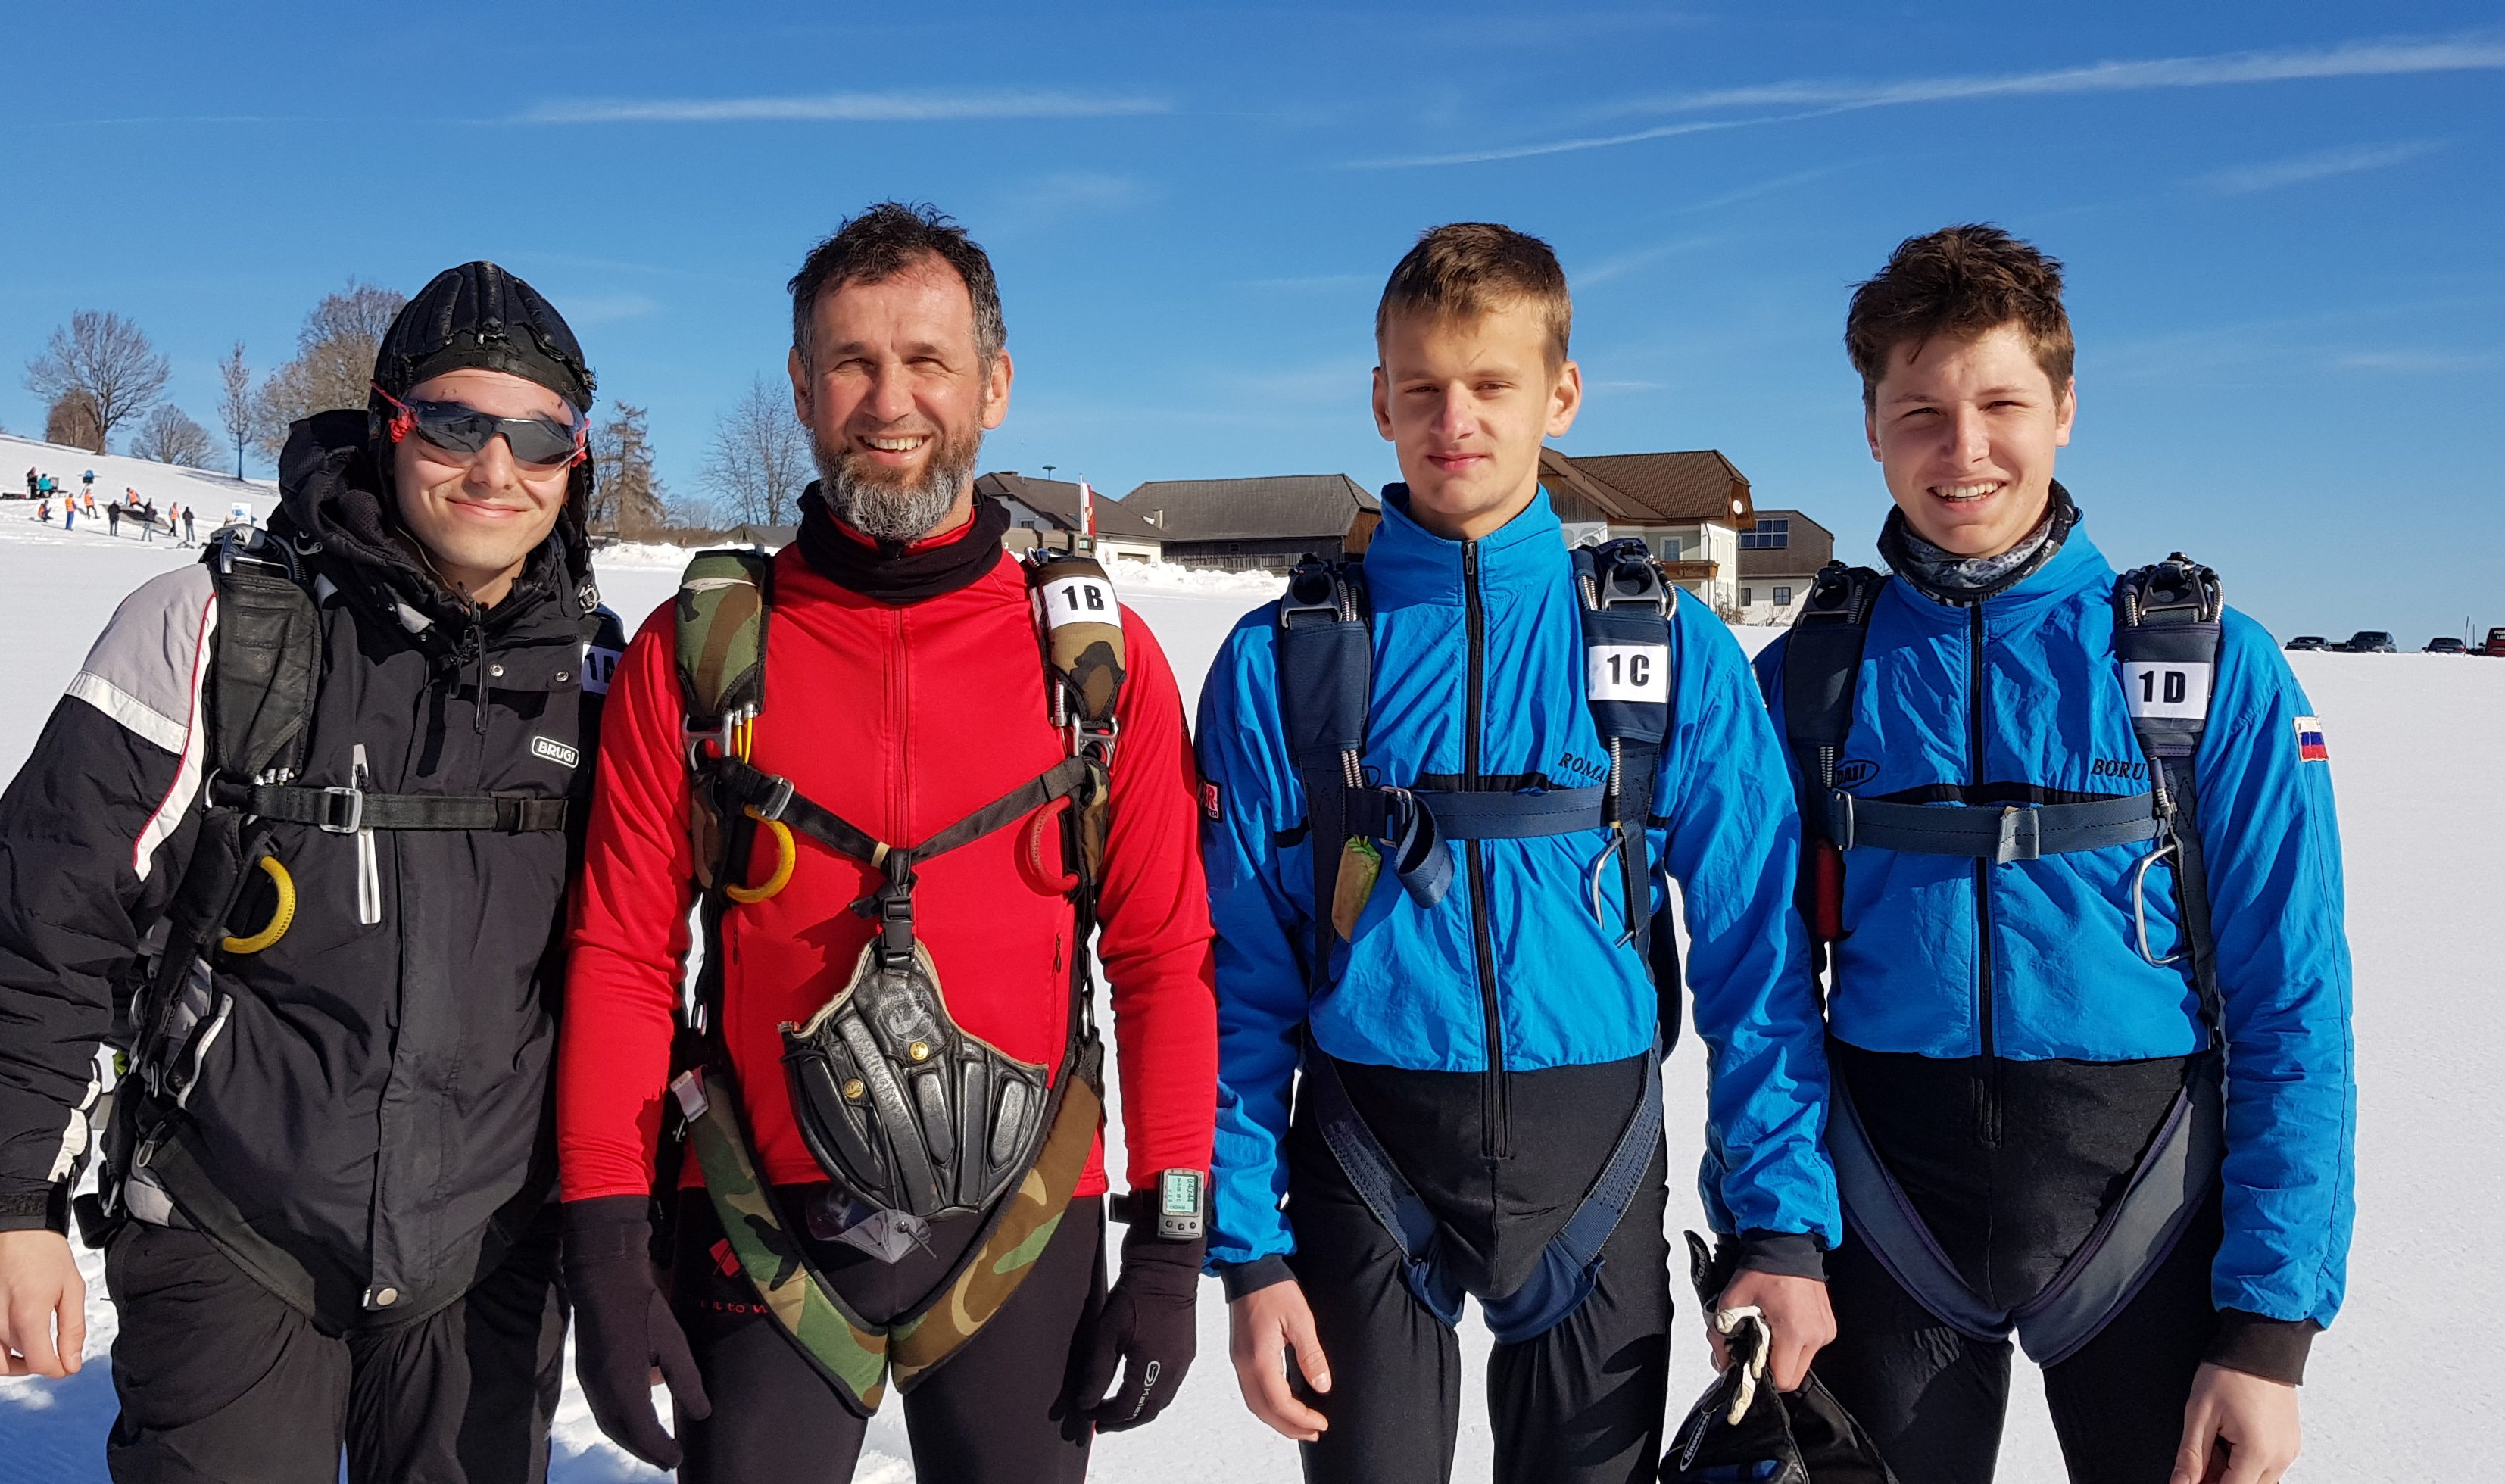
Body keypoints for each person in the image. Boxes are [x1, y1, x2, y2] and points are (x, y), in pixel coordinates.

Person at [0, 261, 623, 1483]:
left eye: (538, 437)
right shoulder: (215, 626)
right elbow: (47, 922)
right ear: (388, 424)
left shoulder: (603, 677)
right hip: (233, 1225)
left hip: (487, 1252)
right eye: (453, 423)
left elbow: (646, 965)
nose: (494, 469)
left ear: (576, 460)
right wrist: (9, 1203)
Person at [557, 201, 1218, 1484]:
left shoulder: (1098, 669)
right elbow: (623, 958)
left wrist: (1173, 1239)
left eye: (928, 361)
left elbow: (1163, 959)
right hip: (758, 1224)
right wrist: (606, 1242)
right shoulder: (695, 659)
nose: (890, 400)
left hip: (1025, 1225)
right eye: (852, 362)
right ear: (802, 386)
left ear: (994, 386)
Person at [1199, 223, 1838, 1484]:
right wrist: (1247, 1251)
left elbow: (1760, 962)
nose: (1456, 421)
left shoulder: (1666, 649)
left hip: (1596, 1167)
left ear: (1561, 393)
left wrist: (1779, 1226)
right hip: (1365, 1162)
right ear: (1379, 398)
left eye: (1492, 384)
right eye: (1423, 387)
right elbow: (1240, 973)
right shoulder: (1289, 660)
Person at [1752, 226, 2354, 1484]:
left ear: (2066, 409)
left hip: (2147, 1220)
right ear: (1872, 428)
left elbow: (2294, 1000)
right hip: (1883, 1220)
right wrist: (1777, 1235)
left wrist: (2269, 1331)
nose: (1963, 450)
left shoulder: (2204, 665)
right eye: (1921, 413)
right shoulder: (1810, 678)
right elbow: (1763, 996)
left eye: (2003, 405)